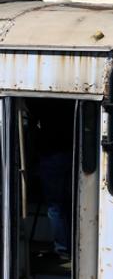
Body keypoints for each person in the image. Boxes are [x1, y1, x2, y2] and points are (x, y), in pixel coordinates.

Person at [26, 98, 74, 259]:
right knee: (70, 203)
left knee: (55, 206)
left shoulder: (42, 101)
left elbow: (31, 116)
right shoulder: (69, 101)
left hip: (51, 153)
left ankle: (63, 249)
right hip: (74, 152)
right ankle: (73, 245)